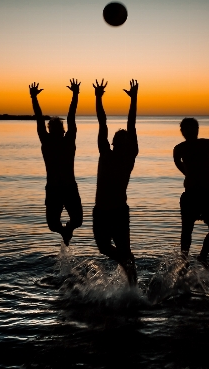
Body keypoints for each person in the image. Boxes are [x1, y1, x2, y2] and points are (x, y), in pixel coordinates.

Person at [92, 79, 139, 286]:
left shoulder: (129, 157)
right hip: (102, 210)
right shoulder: (105, 153)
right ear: (113, 143)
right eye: (118, 142)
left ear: (127, 144)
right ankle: (126, 265)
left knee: (125, 251)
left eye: (123, 142)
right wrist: (98, 98)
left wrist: (134, 99)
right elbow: (102, 123)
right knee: (104, 247)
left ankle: (133, 287)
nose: (120, 144)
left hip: (118, 210)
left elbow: (132, 124)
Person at [29, 80, 83, 246]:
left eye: (57, 128)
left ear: (63, 130)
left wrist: (75, 95)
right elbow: (39, 119)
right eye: (52, 128)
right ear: (50, 130)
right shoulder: (47, 142)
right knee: (53, 225)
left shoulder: (68, 141)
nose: (55, 131)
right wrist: (34, 99)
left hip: (69, 187)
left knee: (78, 221)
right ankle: (64, 231)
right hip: (53, 189)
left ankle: (68, 230)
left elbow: (71, 117)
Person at [173, 118, 209, 272]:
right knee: (187, 229)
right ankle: (184, 261)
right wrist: (188, 174)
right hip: (191, 195)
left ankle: (202, 256)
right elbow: (177, 162)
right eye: (184, 129)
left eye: (191, 128)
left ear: (197, 129)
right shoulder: (179, 148)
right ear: (182, 131)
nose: (188, 132)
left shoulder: (207, 143)